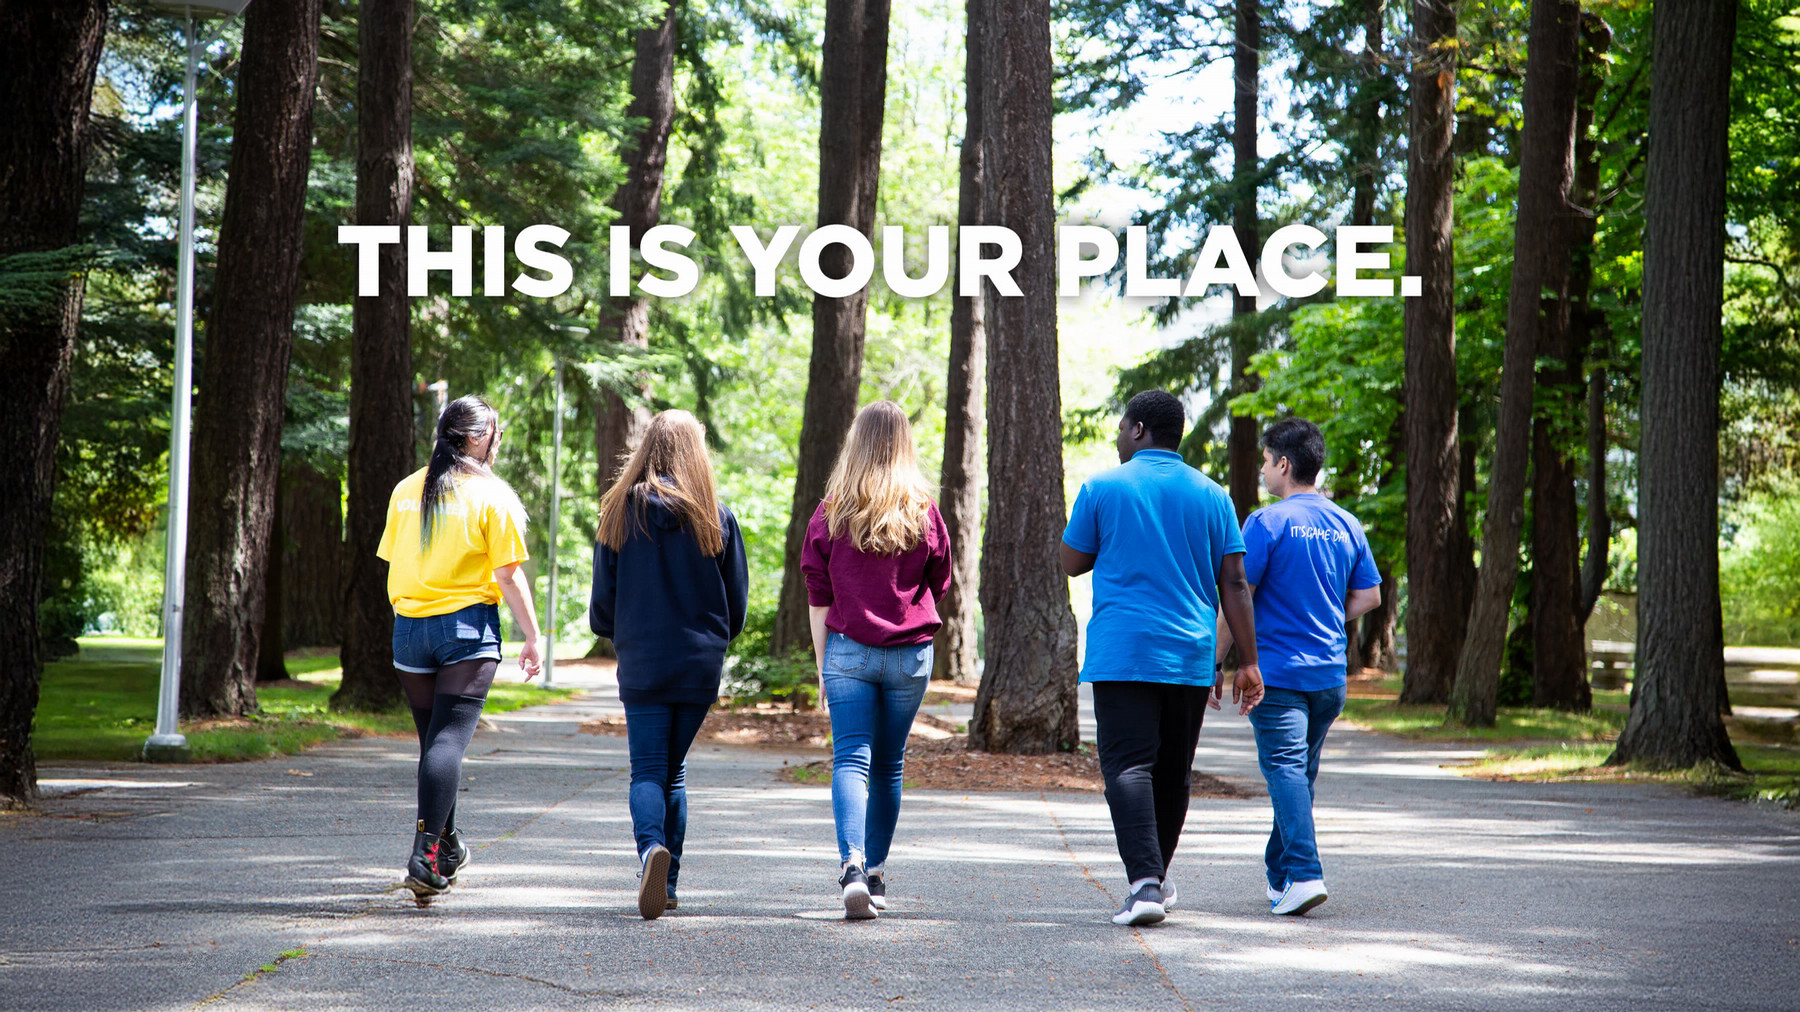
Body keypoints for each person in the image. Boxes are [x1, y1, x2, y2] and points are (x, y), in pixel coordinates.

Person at [1060, 389, 1262, 927]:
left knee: (1128, 766)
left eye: (1121, 427)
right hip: (1190, 654)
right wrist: (1247, 661)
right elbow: (1235, 584)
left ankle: (1146, 883)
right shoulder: (1213, 495)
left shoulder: (1102, 487)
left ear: (1139, 429)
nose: (1117, 437)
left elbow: (1072, 562)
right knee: (1173, 772)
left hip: (1124, 652)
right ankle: (1154, 878)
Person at [377, 394, 543, 902]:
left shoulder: (407, 488)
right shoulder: (490, 494)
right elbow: (507, 576)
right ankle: (425, 857)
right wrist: (533, 636)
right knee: (447, 743)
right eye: (495, 433)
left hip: (410, 630)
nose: (498, 442)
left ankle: (446, 847)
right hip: (465, 629)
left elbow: (395, 559)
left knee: (434, 744)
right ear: (476, 439)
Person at [1215, 418, 1381, 917]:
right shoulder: (1347, 523)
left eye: (1266, 461)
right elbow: (1369, 596)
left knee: (1286, 771)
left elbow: (1239, 595)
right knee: (1297, 775)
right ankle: (1282, 876)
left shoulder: (1267, 522)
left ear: (1283, 464)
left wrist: (1212, 661)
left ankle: (1305, 874)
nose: (1264, 470)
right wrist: (1324, 615)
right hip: (1329, 676)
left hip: (1280, 674)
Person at [590, 410, 749, 920]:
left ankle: (650, 851)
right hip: (698, 664)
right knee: (673, 773)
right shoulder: (716, 517)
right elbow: (737, 607)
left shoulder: (619, 512)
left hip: (643, 661)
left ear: (646, 449)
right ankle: (669, 882)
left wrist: (624, 632)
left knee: (648, 771)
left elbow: (601, 607)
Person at [802, 401, 953, 920]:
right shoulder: (924, 511)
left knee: (850, 759)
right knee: (889, 764)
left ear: (856, 442)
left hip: (848, 651)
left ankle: (852, 867)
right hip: (910, 656)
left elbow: (818, 596)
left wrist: (823, 666)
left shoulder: (832, 511)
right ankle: (876, 875)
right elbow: (940, 582)